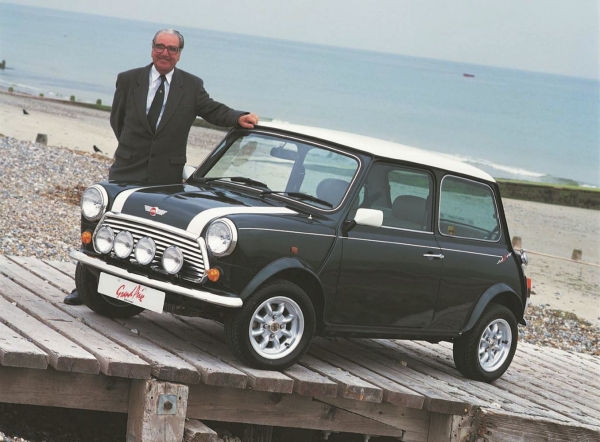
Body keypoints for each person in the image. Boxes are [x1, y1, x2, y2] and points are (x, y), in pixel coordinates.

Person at [64, 28, 259, 305]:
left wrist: (238, 118)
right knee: (105, 227)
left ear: (179, 54)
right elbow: (118, 121)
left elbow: (213, 110)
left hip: (165, 177)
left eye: (172, 49)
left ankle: (147, 291)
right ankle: (86, 286)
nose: (165, 53)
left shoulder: (191, 86)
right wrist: (133, 150)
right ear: (152, 48)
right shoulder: (128, 79)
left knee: (153, 234)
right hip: (127, 169)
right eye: (160, 46)